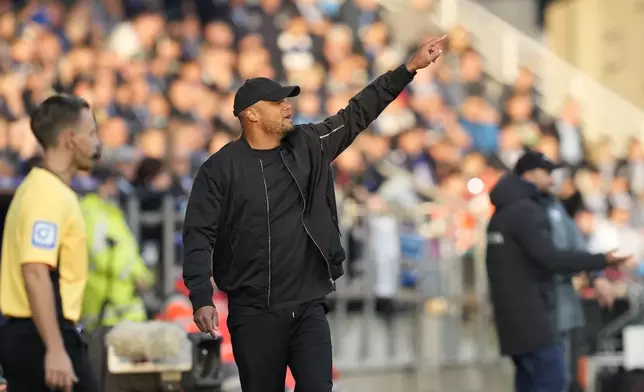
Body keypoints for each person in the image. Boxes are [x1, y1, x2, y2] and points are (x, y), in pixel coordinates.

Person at [182, 36, 446, 392]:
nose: (287, 106)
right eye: (277, 102)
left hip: (308, 305)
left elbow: (357, 113)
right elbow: (199, 234)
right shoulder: (219, 169)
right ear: (252, 114)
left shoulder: (309, 144)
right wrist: (201, 297)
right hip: (253, 313)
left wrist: (408, 68)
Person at [485, 150, 630, 392]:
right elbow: (550, 257)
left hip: (516, 318)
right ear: (529, 175)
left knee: (530, 382)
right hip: (535, 316)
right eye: (547, 173)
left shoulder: (504, 212)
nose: (553, 180)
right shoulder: (526, 211)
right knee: (551, 381)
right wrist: (601, 261)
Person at [0, 94, 101, 392]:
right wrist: (56, 349)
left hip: (38, 333)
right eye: (91, 134)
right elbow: (35, 270)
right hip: (42, 335)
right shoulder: (46, 194)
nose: (96, 144)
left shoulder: (43, 189)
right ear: (71, 139)